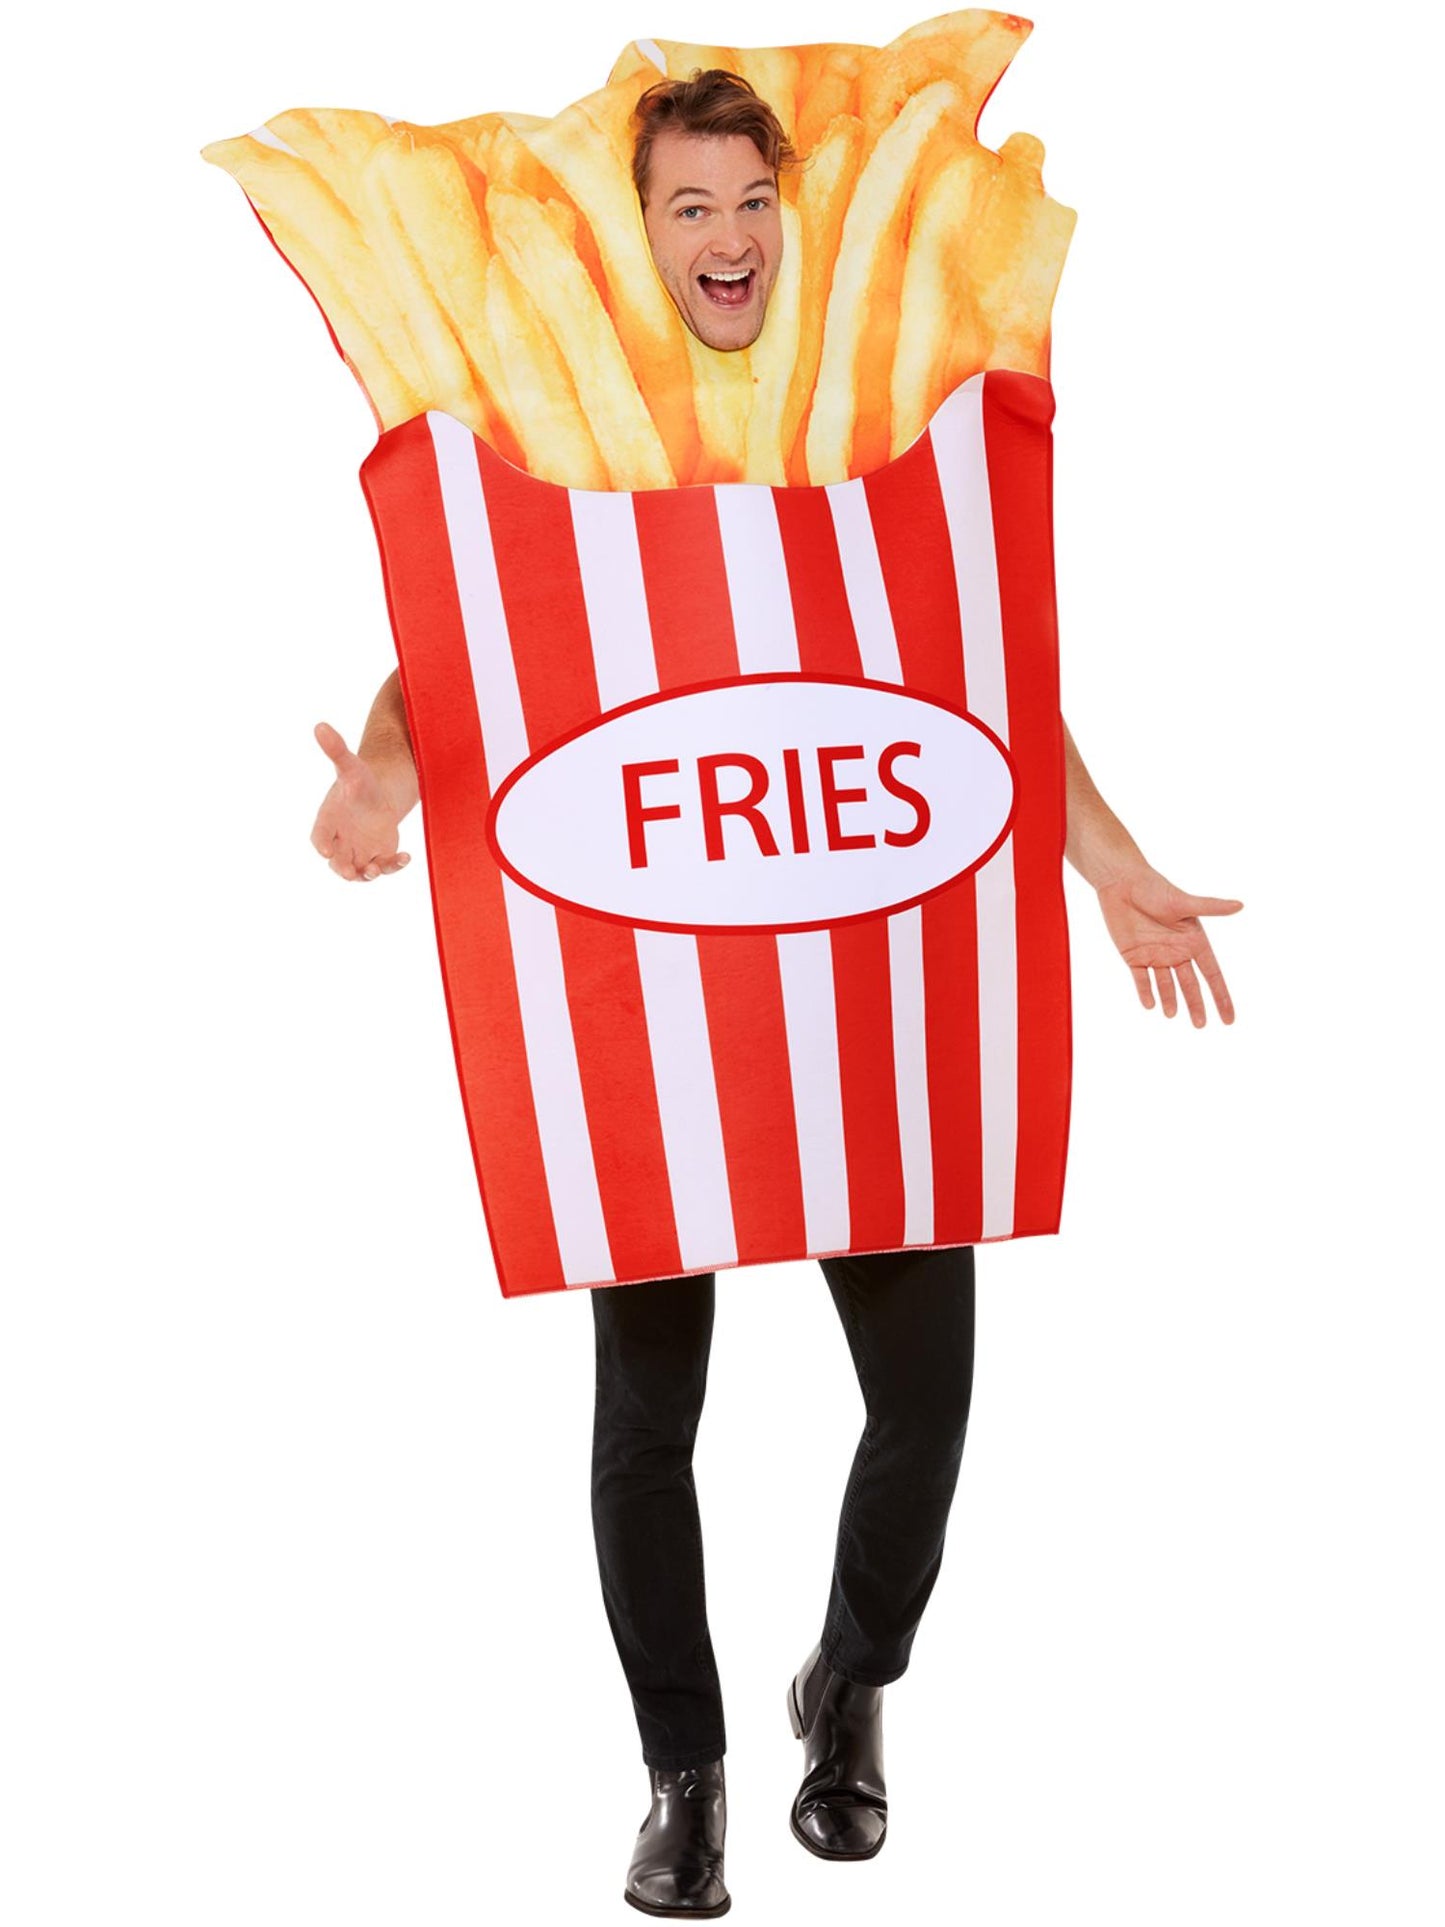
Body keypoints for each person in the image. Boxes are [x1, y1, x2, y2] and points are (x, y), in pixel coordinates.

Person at [309, 69, 1241, 1921]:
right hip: (650, 994)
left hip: (870, 985)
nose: (725, 237)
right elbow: (471, 634)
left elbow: (964, 681)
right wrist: (380, 781)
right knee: (646, 1418)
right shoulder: (569, 394)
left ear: (784, 215)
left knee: (925, 1399)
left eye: (750, 202)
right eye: (689, 207)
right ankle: (686, 1776)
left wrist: (1109, 861)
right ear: (643, 227)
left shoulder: (863, 395)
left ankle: (850, 1684)